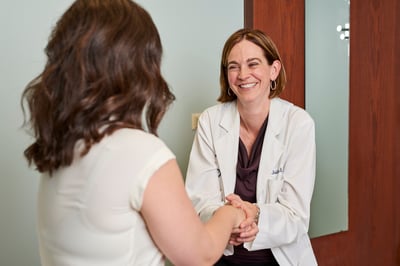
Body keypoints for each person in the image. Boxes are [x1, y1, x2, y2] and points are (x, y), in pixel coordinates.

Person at [21, 1, 248, 265]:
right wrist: (232, 213)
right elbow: (201, 254)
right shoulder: (140, 152)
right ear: (137, 66)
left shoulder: (61, 149)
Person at [185, 28, 318, 266]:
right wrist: (228, 221)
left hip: (277, 258)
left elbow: (296, 217)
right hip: (220, 255)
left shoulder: (297, 124)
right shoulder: (210, 121)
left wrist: (253, 215)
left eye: (253, 64)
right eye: (233, 66)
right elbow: (198, 202)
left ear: (273, 70)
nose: (243, 74)